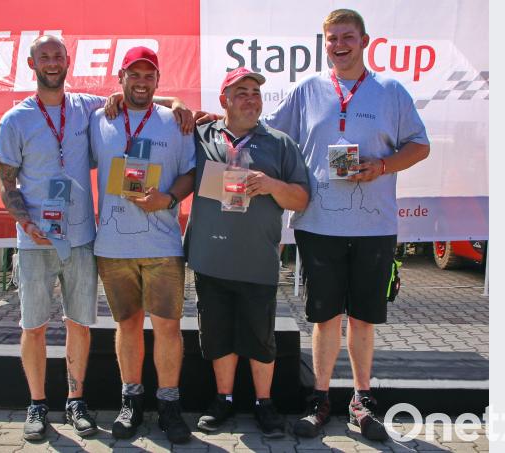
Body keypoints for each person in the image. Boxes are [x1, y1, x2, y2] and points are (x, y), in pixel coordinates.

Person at [0, 35, 192, 441]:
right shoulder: (17, 119)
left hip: (84, 239)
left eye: (57, 56)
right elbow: (5, 180)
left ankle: (78, 402)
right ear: (33, 63)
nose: (52, 62)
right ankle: (37, 405)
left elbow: (142, 94)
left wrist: (177, 103)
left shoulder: (87, 108)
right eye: (44, 57)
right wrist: (26, 222)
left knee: (80, 324)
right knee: (33, 325)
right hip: (40, 241)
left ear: (67, 62)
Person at [260, 9, 431, 441]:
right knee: (324, 317)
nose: (339, 44)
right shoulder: (308, 89)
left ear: (364, 41)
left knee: (363, 319)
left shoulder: (390, 91)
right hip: (319, 224)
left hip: (374, 227)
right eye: (332, 38)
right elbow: (268, 133)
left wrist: (384, 165)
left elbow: (421, 145)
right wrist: (214, 120)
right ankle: (320, 399)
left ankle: (362, 400)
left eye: (347, 37)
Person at [186, 68, 310, 438]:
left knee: (260, 337)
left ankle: (263, 403)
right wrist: (178, 104)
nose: (251, 98)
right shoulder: (200, 134)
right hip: (210, 258)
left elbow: (302, 198)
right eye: (241, 92)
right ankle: (223, 400)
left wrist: (272, 185)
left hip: (258, 261)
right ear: (224, 99)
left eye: (255, 92)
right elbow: (159, 108)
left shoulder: (280, 143)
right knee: (218, 334)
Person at [89, 46, 196, 444]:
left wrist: (167, 199)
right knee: (128, 324)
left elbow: (191, 173)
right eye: (134, 75)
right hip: (113, 245)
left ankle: (169, 405)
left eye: (148, 75)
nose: (141, 82)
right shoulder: (99, 118)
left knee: (168, 327)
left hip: (163, 243)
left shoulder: (174, 120)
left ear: (157, 80)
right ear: (120, 77)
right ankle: (131, 401)